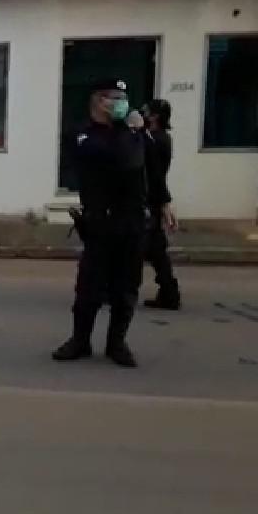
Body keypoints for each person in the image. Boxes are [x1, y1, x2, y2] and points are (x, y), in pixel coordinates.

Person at [54, 78, 148, 368]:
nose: (123, 103)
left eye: (124, 96)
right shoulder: (82, 135)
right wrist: (130, 131)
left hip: (131, 222)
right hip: (100, 223)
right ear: (99, 101)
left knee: (126, 288)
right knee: (89, 289)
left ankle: (116, 344)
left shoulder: (133, 134)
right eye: (116, 97)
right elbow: (122, 160)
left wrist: (163, 201)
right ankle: (80, 341)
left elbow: (148, 167)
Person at [141, 99, 180, 310]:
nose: (143, 113)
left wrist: (164, 203)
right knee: (155, 250)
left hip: (150, 200)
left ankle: (169, 293)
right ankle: (169, 292)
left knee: (145, 248)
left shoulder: (155, 140)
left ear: (155, 116)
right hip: (154, 199)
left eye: (147, 111)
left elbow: (155, 175)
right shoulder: (161, 138)